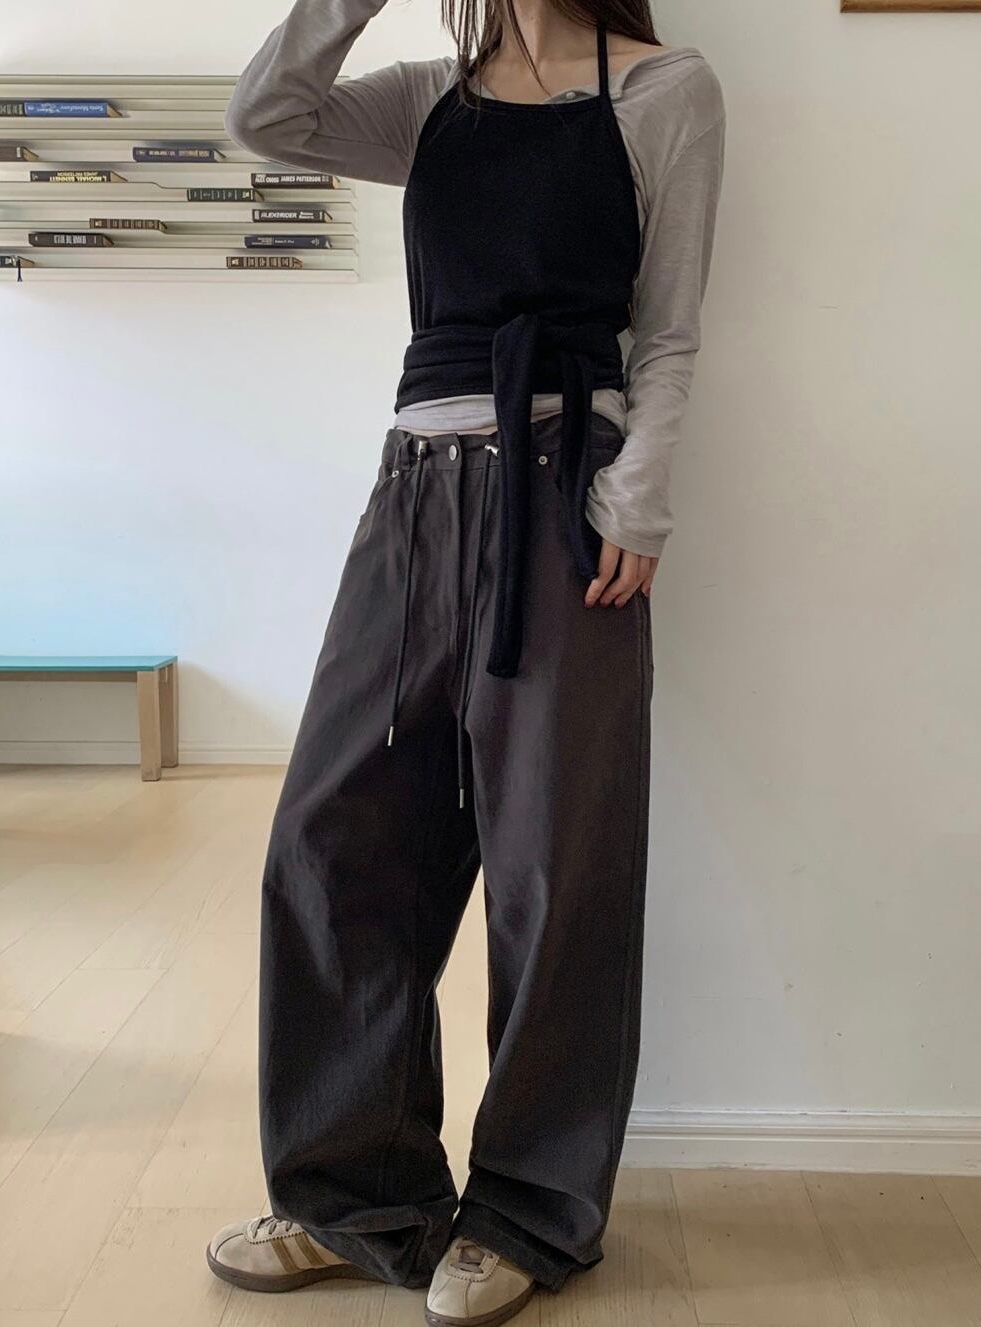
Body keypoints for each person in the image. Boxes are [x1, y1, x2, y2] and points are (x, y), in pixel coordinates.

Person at [207, 0, 724, 1322]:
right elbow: (265, 118)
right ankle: (356, 1200)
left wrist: (637, 500)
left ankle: (527, 1216)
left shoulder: (665, 91)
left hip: (564, 495)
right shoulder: (428, 93)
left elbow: (667, 329)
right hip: (413, 493)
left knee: (556, 862)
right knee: (333, 839)